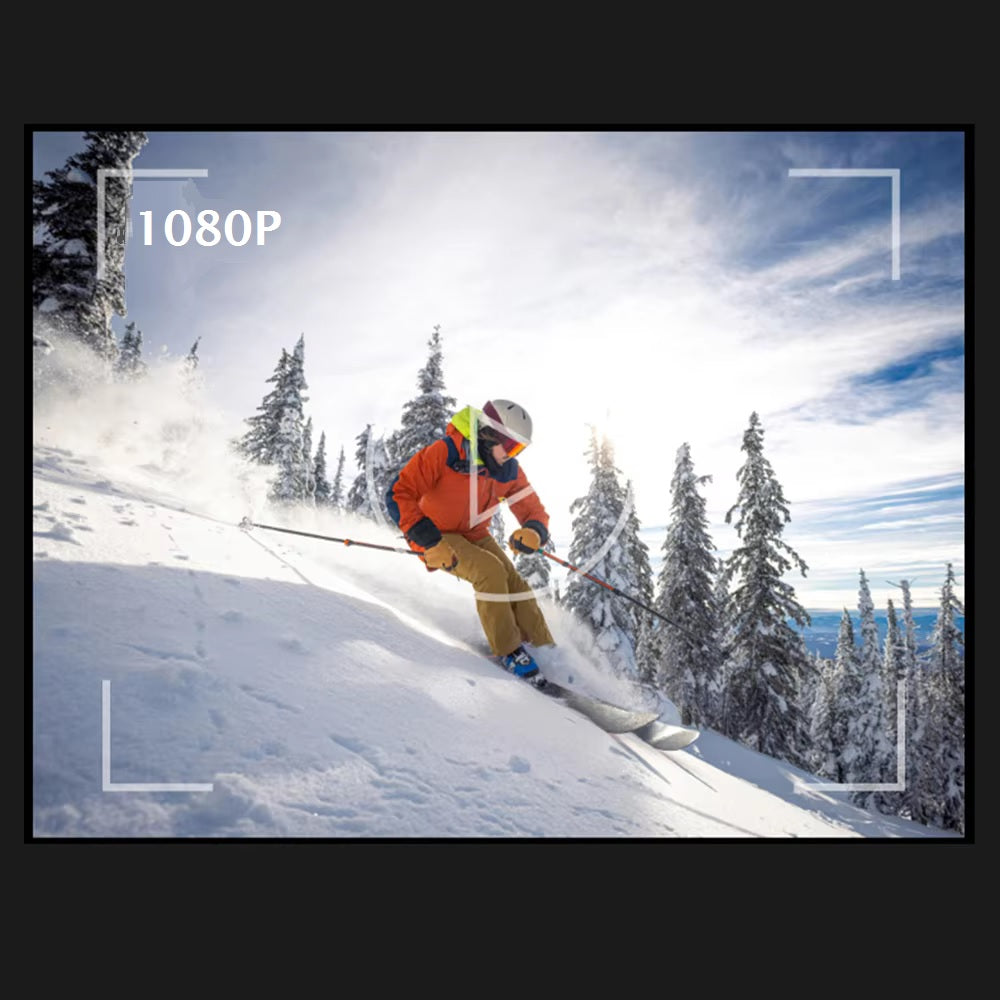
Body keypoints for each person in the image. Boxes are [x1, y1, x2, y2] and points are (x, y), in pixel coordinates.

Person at [386, 399, 555, 686]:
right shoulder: (447, 452)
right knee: (489, 572)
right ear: (491, 435)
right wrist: (428, 542)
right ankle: (509, 651)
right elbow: (398, 494)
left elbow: (532, 508)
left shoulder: (507, 469)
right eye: (511, 447)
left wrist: (534, 530)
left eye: (519, 450)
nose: (513, 456)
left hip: (475, 532)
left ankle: (544, 648)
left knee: (515, 582)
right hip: (438, 534)